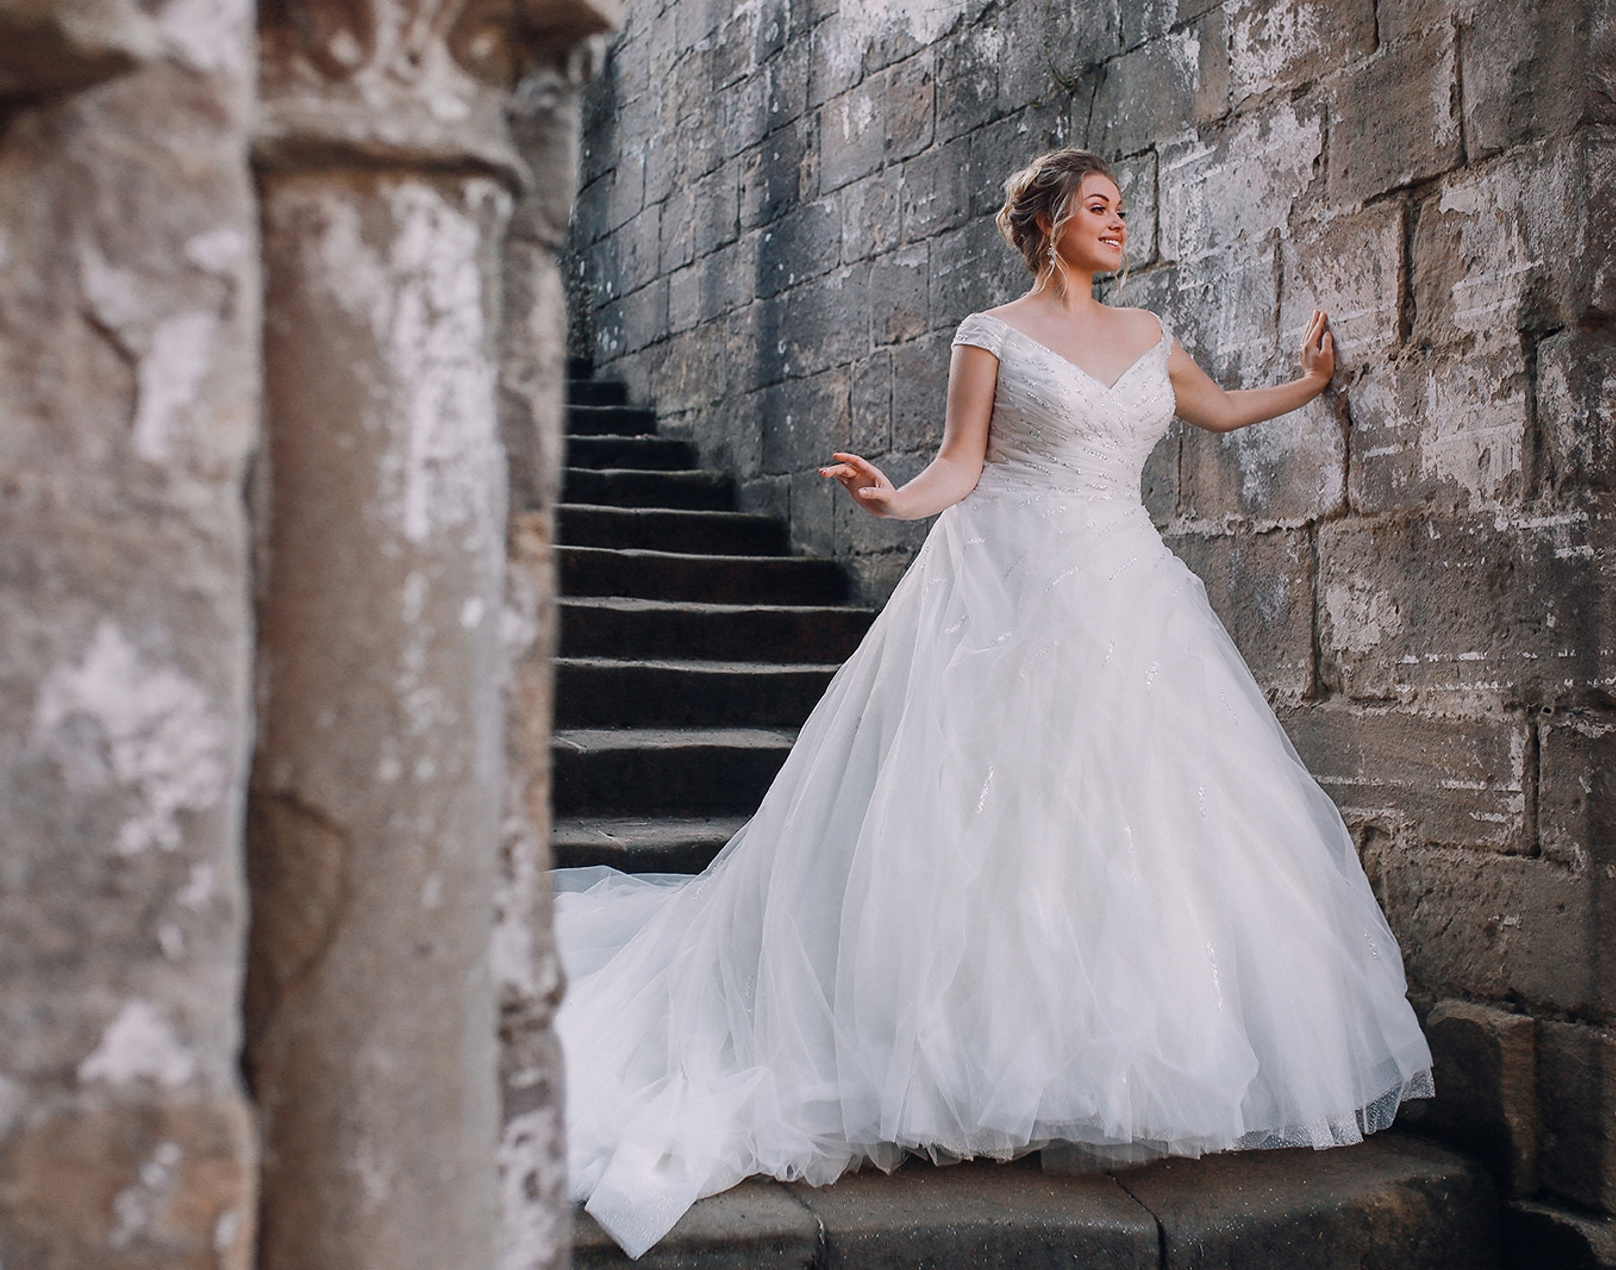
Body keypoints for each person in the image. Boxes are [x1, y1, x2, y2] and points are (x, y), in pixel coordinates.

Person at [554, 147, 1434, 1258]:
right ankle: (962, 1055)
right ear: (1052, 221)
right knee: (992, 816)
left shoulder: (1150, 333)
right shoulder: (990, 333)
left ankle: (1100, 1053)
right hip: (1004, 587)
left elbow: (1212, 410)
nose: (1120, 223)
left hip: (1125, 591)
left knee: (1138, 817)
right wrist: (893, 500)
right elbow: (959, 465)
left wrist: (1310, 383)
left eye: (1122, 210)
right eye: (1101, 208)